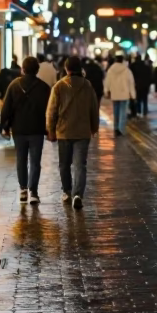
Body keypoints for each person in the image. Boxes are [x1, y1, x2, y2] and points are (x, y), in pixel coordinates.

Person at [46, 55, 100, 210]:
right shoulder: (87, 85)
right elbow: (94, 109)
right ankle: (78, 194)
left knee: (64, 164)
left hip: (63, 131)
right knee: (80, 165)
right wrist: (94, 127)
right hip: (82, 131)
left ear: (66, 68)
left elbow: (51, 111)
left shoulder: (59, 86)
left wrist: (50, 130)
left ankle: (67, 191)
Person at [0, 55, 51, 204]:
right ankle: (33, 192)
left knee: (21, 159)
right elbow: (50, 110)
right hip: (37, 129)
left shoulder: (14, 85)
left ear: (23, 69)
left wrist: (5, 127)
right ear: (37, 70)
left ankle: (23, 189)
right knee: (35, 161)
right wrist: (50, 129)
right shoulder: (44, 87)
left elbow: (6, 108)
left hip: (19, 129)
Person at [104, 54, 136, 135]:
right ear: (122, 61)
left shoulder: (110, 70)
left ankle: (115, 127)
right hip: (124, 94)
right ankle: (121, 129)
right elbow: (131, 83)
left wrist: (106, 91)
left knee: (116, 111)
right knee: (123, 111)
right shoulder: (127, 70)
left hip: (114, 93)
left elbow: (107, 82)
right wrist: (133, 95)